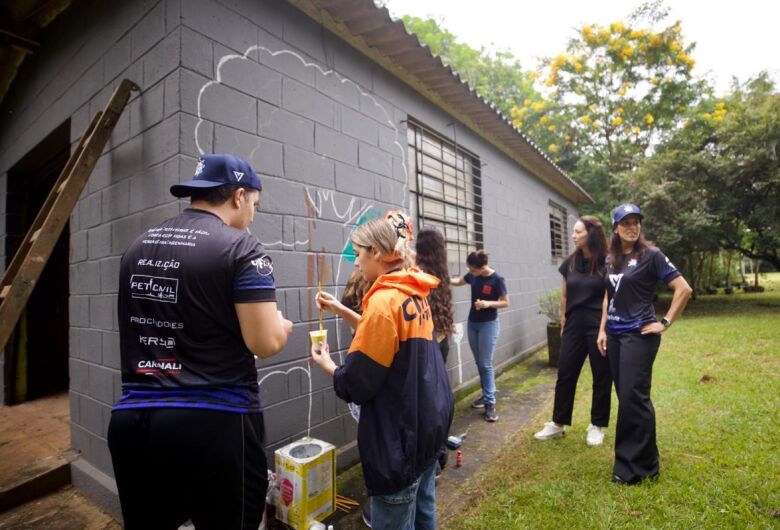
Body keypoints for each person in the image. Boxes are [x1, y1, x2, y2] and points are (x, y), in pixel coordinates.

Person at [108, 154, 293, 529]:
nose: (253, 215)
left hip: (134, 423)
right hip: (215, 422)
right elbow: (264, 342)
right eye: (255, 204)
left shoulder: (137, 247)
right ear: (239, 196)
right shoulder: (243, 249)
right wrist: (282, 326)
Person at [310, 217, 453, 530]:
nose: (356, 261)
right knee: (424, 514)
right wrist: (342, 309)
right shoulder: (413, 289)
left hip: (399, 440)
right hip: (428, 429)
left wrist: (328, 366)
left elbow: (357, 384)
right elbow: (390, 338)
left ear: (376, 252)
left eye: (359, 252)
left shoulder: (382, 301)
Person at [597, 203, 692, 485]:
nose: (631, 227)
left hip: (639, 335)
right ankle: (640, 461)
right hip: (614, 335)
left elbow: (683, 288)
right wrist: (602, 330)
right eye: (625, 222)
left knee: (633, 398)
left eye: (635, 221)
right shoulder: (610, 258)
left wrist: (665, 322)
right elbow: (607, 295)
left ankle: (637, 468)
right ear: (615, 228)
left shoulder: (651, 256)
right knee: (627, 398)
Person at [534, 216, 612, 445]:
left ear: (591, 233)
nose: (573, 235)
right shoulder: (569, 262)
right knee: (565, 373)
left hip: (599, 324)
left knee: (601, 375)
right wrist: (563, 322)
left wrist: (604, 329)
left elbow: (610, 295)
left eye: (577, 231)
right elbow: (565, 295)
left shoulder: (608, 262)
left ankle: (596, 425)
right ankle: (558, 423)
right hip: (574, 324)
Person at [451, 250, 509, 422]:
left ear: (481, 267)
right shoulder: (472, 274)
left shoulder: (497, 279)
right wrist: (442, 278)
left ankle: (490, 403)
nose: (470, 273)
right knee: (480, 363)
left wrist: (487, 303)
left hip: (488, 325)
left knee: (485, 364)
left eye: (472, 270)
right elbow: (459, 281)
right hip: (473, 324)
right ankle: (486, 396)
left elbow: (506, 301)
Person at [415, 227, 455, 474]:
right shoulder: (442, 271)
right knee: (437, 399)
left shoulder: (417, 274)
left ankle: (434, 458)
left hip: (425, 345)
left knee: (425, 404)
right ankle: (439, 454)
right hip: (441, 342)